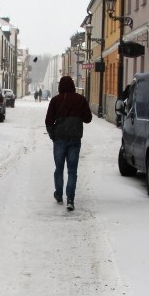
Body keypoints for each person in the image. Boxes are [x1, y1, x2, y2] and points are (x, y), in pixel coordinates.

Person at [45, 75, 93, 211]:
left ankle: (59, 195)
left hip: (59, 138)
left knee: (59, 168)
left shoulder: (55, 100)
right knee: (72, 171)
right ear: (72, 85)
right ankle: (70, 199)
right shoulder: (80, 99)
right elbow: (88, 118)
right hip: (74, 139)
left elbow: (48, 120)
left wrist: (52, 135)